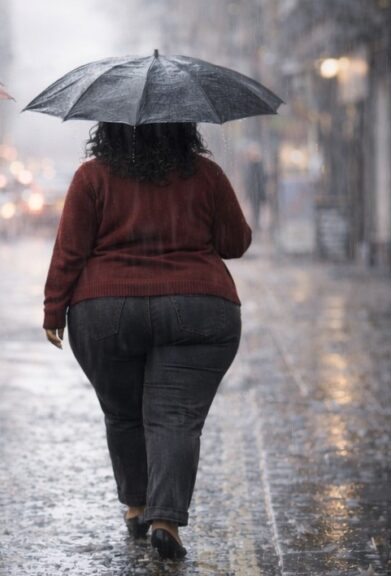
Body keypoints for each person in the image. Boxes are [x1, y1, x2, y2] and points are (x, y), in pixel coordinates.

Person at [42, 122, 251, 561]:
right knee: (174, 416)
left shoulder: (92, 176)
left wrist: (54, 309)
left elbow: (70, 250)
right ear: (183, 127)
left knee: (123, 412)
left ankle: (137, 505)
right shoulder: (206, 175)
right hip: (197, 305)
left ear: (110, 128)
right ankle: (165, 520)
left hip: (106, 309)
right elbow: (235, 242)